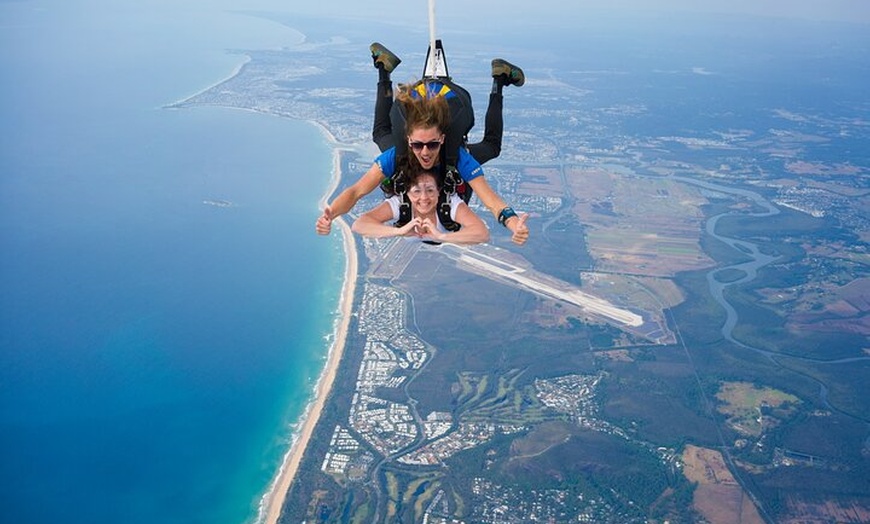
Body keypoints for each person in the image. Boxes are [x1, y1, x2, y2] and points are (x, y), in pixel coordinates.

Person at [315, 44, 530, 245]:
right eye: (418, 145)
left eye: (432, 144)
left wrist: (331, 214)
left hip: (442, 154)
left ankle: (384, 68)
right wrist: (513, 224)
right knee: (490, 147)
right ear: (409, 141)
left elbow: (491, 201)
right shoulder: (453, 159)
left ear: (442, 139)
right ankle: (498, 81)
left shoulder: (439, 156)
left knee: (382, 133)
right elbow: (355, 193)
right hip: (440, 149)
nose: (425, 152)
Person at [352, 168, 489, 245]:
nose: (423, 198)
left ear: (438, 191)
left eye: (430, 190)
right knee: (381, 136)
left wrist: (441, 237)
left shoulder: (449, 204)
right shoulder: (401, 204)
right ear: (407, 193)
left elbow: (482, 233)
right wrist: (398, 231)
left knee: (491, 149)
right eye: (416, 191)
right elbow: (359, 225)